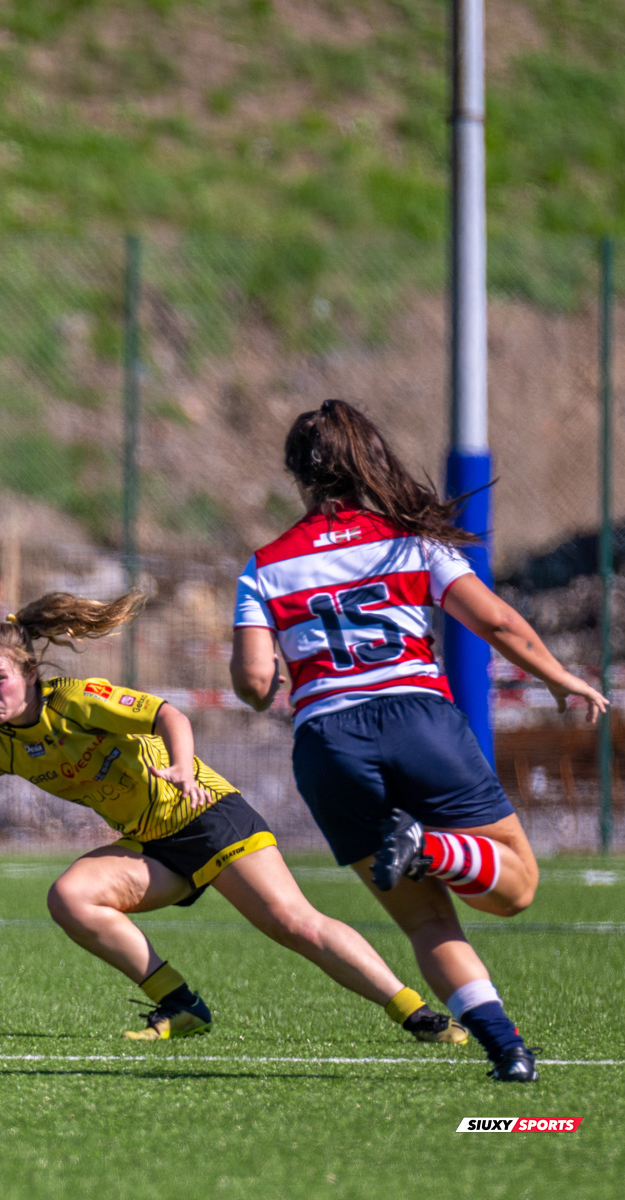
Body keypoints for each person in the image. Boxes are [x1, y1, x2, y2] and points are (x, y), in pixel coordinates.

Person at [0, 590, 464, 1047]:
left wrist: (182, 768)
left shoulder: (75, 700)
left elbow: (169, 713)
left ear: (29, 674)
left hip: (207, 814)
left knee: (294, 924)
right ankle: (182, 1005)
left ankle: (414, 1013)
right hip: (154, 844)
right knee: (70, 897)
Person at [230, 399, 608, 1083]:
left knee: (427, 923)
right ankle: (431, 845)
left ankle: (507, 1051)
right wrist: (559, 679)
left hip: (327, 743)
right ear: (370, 459)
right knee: (516, 886)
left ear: (297, 474)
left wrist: (267, 682)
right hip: (415, 720)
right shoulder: (410, 541)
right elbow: (494, 622)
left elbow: (256, 680)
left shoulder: (264, 567)